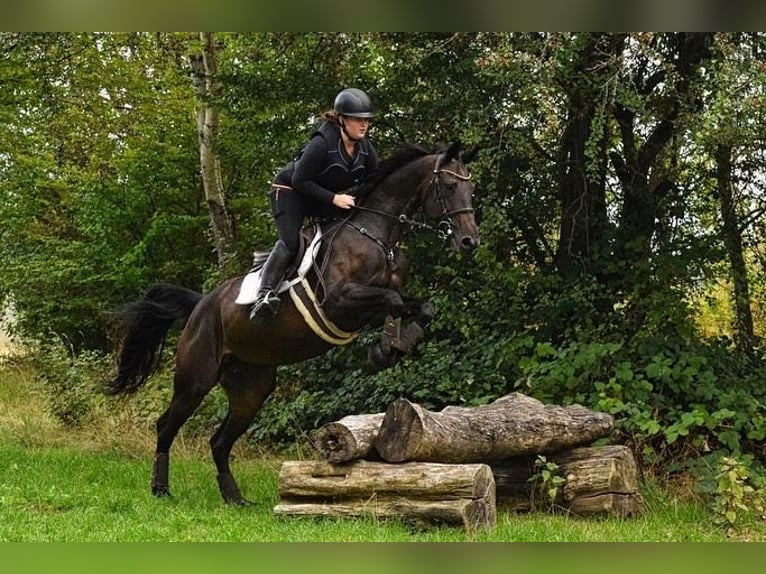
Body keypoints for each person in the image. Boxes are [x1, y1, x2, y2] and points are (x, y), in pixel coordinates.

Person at [251, 88, 379, 320]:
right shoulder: (322, 143)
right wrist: (333, 198)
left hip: (318, 194)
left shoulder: (365, 149)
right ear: (341, 119)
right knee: (291, 241)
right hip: (290, 191)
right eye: (357, 119)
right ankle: (265, 294)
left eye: (366, 120)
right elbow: (300, 179)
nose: (363, 125)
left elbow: (375, 183)